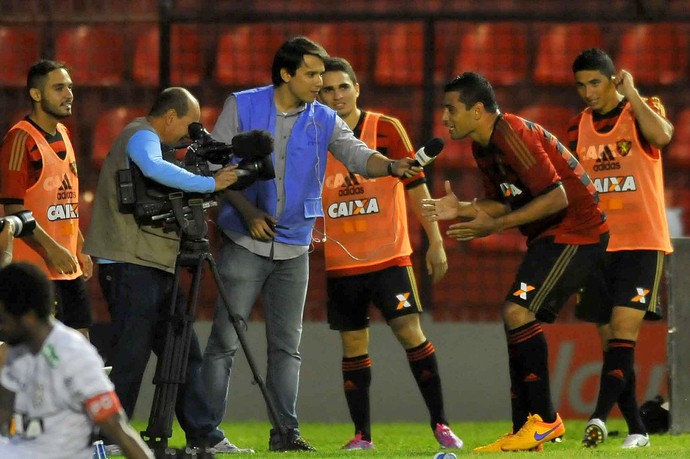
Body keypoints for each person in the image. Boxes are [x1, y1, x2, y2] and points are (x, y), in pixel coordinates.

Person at [183, 37, 420, 453]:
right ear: (286, 74)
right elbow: (214, 164)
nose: (320, 82)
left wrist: (392, 167)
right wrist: (248, 213)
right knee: (225, 341)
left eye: (322, 74)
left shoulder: (323, 118)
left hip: (295, 247)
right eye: (311, 74)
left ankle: (285, 433)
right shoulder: (242, 105)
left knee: (286, 347)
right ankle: (205, 436)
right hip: (243, 240)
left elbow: (358, 155)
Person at [422, 72, 609, 452]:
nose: (445, 118)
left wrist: (496, 226)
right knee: (515, 317)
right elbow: (505, 199)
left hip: (579, 231)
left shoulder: (512, 135)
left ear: (477, 110)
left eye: (451, 109)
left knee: (517, 313)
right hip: (550, 235)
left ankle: (545, 421)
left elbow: (556, 198)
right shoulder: (484, 145)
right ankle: (525, 429)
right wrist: (462, 208)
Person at [82, 87, 240, 455]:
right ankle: (105, 440)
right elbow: (153, 167)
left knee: (183, 351)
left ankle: (206, 435)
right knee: (130, 356)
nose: (188, 136)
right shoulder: (140, 135)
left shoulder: (152, 141)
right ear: (170, 116)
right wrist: (209, 183)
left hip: (153, 262)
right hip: (128, 263)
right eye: (187, 126)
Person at [316, 57, 462, 450]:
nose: (336, 95)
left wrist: (435, 240)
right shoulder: (312, 137)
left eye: (342, 87)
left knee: (409, 332)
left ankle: (441, 425)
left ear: (357, 88)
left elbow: (415, 184)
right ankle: (362, 436)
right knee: (353, 347)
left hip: (390, 257)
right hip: (342, 262)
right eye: (327, 89)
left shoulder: (386, 128)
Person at [569, 48, 673, 449]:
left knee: (624, 334)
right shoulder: (577, 127)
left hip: (643, 243)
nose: (587, 91)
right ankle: (638, 429)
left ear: (613, 79)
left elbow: (663, 136)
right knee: (611, 339)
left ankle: (596, 417)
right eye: (580, 84)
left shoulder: (643, 109)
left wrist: (633, 95)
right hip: (598, 247)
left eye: (595, 82)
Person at [0, 262, 154, 459]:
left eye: (3, 320)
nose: (1, 327)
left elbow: (118, 431)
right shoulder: (15, 350)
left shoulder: (73, 355)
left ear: (28, 317)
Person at [0, 60, 93, 339]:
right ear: (36, 95)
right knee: (41, 357)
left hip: (67, 267)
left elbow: (63, 202)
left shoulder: (64, 133)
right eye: (59, 88)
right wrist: (52, 249)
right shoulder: (20, 139)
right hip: (35, 271)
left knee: (80, 351)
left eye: (69, 87)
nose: (68, 94)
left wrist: (78, 245)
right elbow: (13, 209)